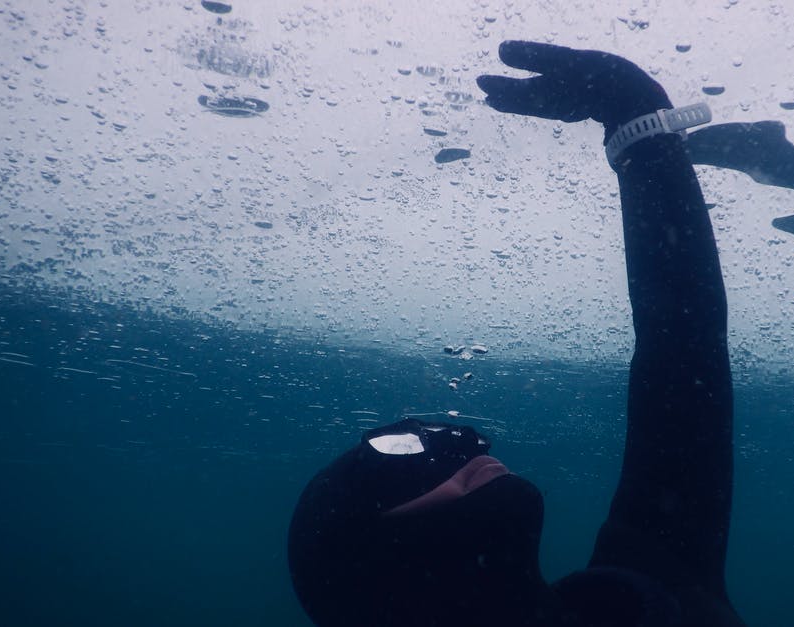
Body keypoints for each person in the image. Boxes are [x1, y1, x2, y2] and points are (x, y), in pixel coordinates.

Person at [288, 40, 745, 627]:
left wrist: (639, 125)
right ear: (364, 562)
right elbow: (686, 354)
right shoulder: (664, 585)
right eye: (403, 461)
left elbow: (682, 354)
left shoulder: (644, 589)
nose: (470, 447)